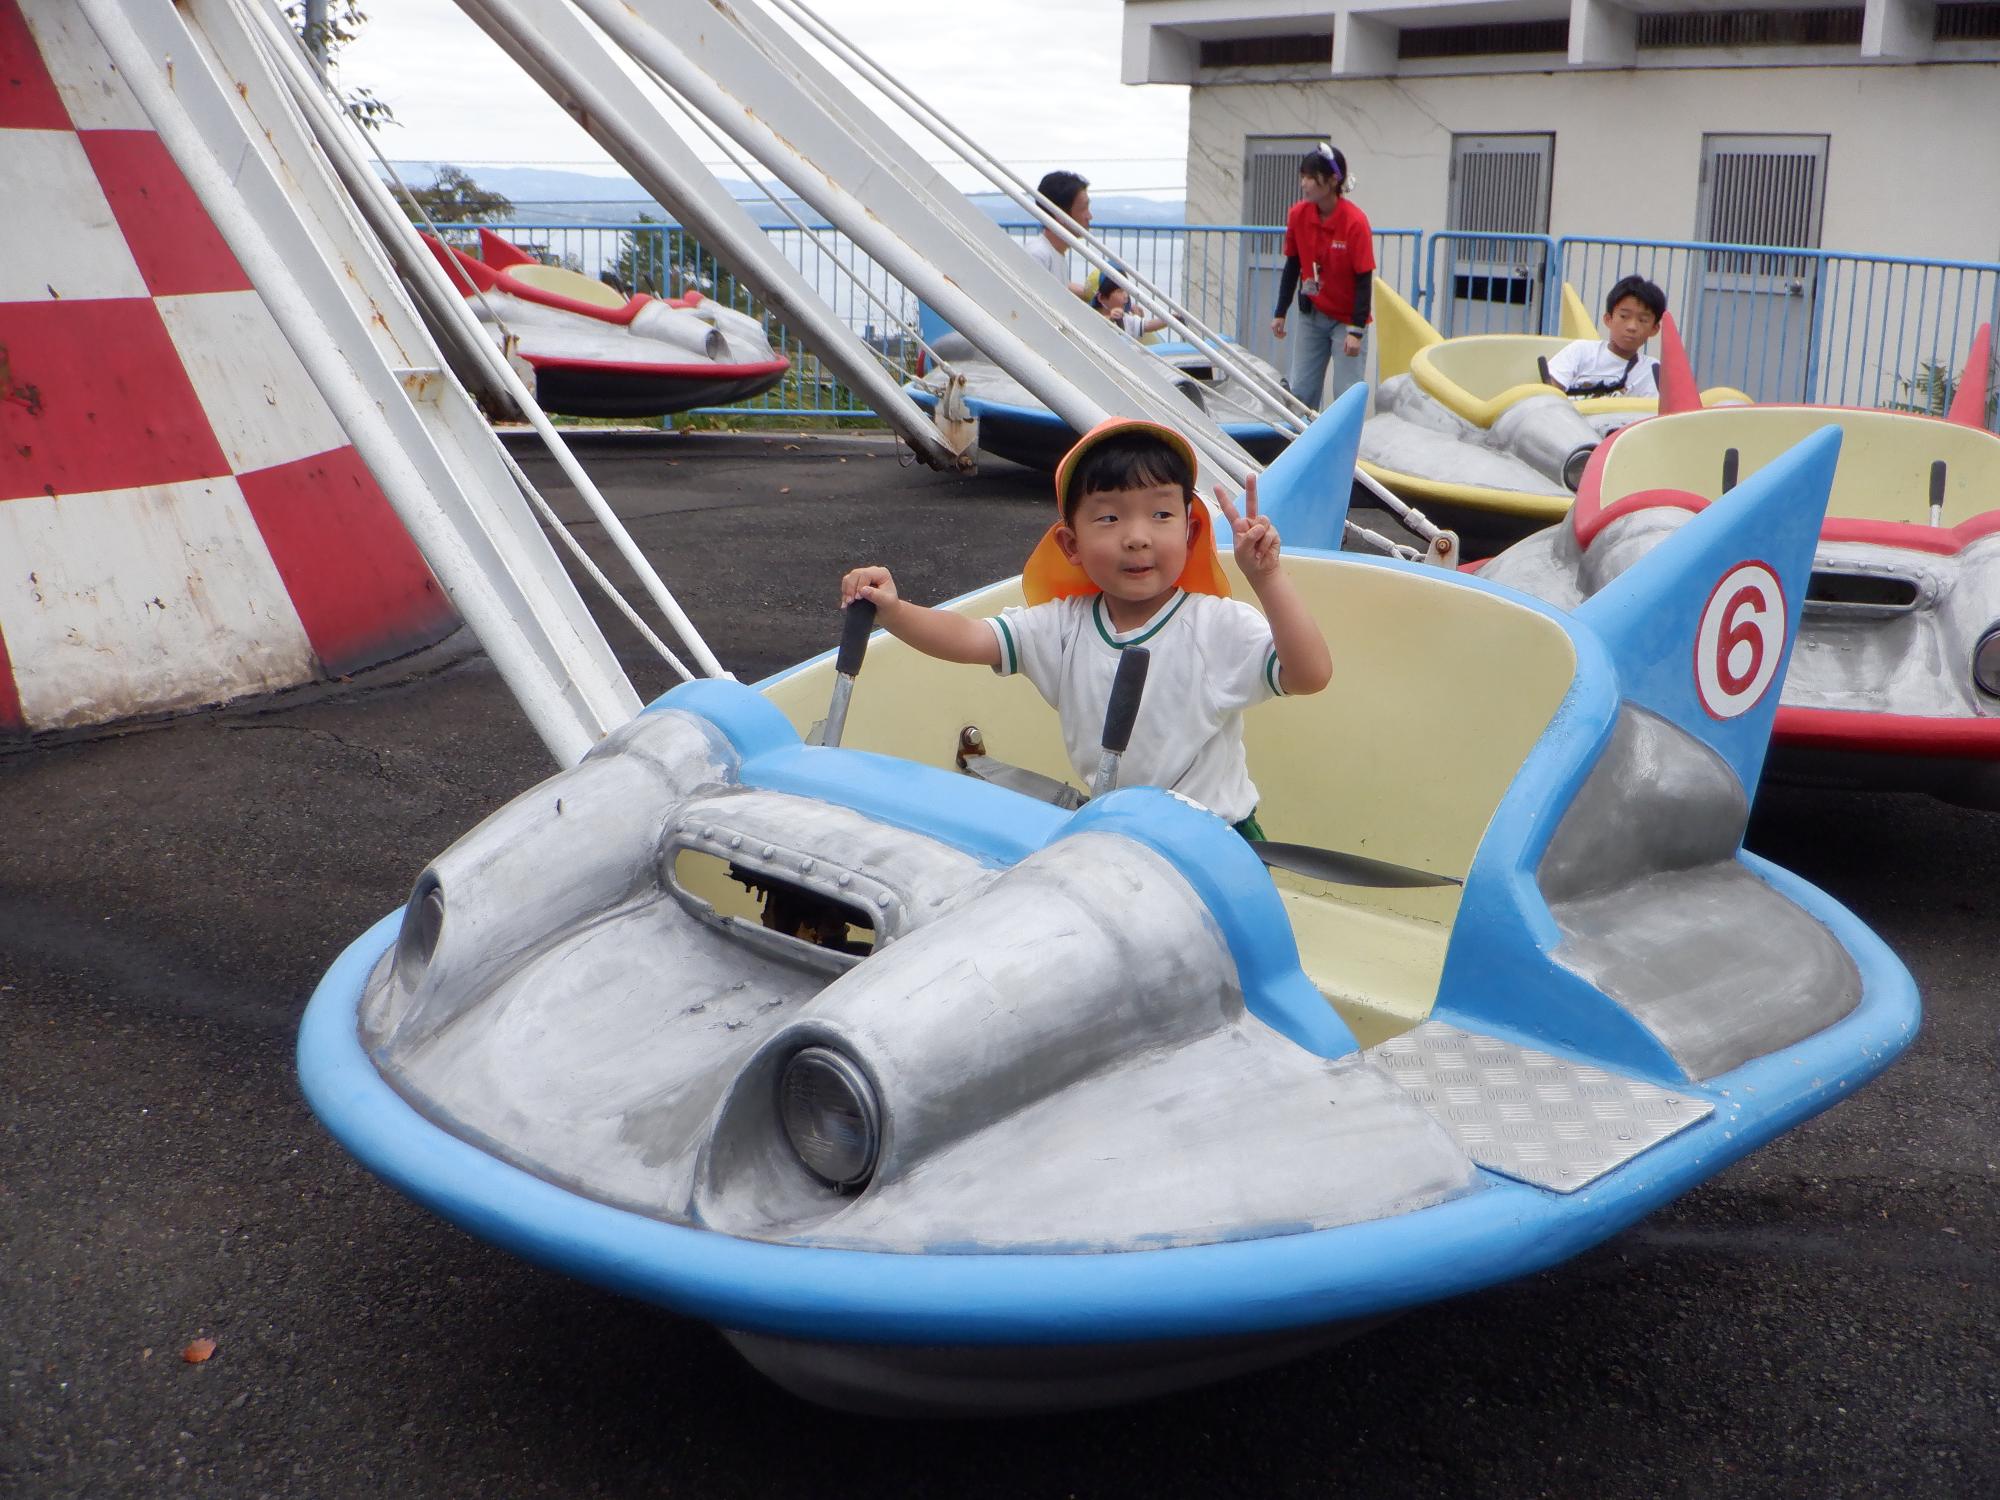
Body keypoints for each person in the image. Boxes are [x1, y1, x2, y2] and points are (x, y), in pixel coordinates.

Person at [839, 419, 1332, 838]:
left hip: (1216, 838)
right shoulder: (1064, 627)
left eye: (1161, 514)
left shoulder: (1215, 625)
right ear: (1071, 545)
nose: (1137, 537)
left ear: (1191, 529)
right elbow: (970, 638)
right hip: (1116, 834)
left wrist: (1266, 577)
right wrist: (893, 610)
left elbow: (1309, 674)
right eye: (1110, 517)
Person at [1270, 144, 1375, 411]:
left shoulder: (1355, 222)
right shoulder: (1298, 214)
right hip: (1312, 314)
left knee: (1346, 397)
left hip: (1347, 319)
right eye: (1302, 176)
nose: (1304, 184)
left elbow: (1364, 278)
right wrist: (1280, 311)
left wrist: (1356, 331)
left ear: (1332, 181)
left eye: (1310, 177)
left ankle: (1344, 451)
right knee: (1301, 393)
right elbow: (1292, 265)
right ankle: (1300, 445)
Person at [1543, 275, 1667, 399]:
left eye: (1643, 320)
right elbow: (1549, 395)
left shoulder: (1653, 369)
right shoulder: (1580, 351)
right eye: (1624, 316)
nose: (1632, 327)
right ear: (1608, 319)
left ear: (1654, 329)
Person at [1027, 169, 1093, 300]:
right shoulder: (1038, 255)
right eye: (1083, 209)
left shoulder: (1054, 253)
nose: (1089, 216)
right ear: (1059, 215)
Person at [1092, 275, 1167, 342]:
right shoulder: (1091, 315)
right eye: (1120, 291)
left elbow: (1148, 325)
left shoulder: (1126, 319)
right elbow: (1097, 329)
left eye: (1126, 291)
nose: (1126, 296)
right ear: (1101, 298)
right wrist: (1111, 319)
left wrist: (1174, 318)